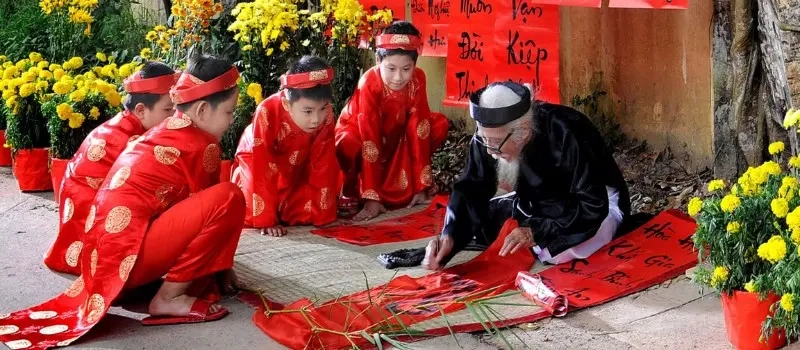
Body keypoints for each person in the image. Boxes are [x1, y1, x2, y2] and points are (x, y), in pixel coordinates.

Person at [0, 54, 245, 349]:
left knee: (218, 198)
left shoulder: (167, 131)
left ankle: (152, 289)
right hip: (124, 261)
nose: (232, 120)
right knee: (229, 197)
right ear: (203, 110)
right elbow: (210, 217)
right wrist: (219, 269)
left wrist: (222, 266)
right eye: (230, 112)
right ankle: (170, 298)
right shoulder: (199, 143)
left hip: (107, 261)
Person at [421, 81, 631, 270]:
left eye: (495, 143)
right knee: (484, 226)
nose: (489, 151)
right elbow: (471, 189)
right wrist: (451, 235)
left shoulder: (566, 130)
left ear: (523, 131)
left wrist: (535, 232)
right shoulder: (489, 137)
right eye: (483, 139)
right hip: (537, 205)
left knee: (559, 252)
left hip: (594, 207)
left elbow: (592, 205)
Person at [44, 62, 179, 275]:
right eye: (168, 109)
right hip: (93, 229)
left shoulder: (122, 126)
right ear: (141, 110)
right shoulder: (131, 141)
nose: (174, 116)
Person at [336, 20, 448, 221]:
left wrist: (422, 186)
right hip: (363, 136)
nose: (398, 77)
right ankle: (352, 190)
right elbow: (369, 136)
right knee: (348, 143)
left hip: (397, 137)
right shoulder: (369, 83)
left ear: (415, 64)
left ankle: (412, 186)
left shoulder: (418, 78)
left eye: (406, 69)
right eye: (391, 68)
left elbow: (419, 127)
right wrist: (371, 197)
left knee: (437, 124)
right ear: (378, 61)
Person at [232, 55, 339, 237]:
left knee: (306, 213)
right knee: (251, 211)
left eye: (322, 108)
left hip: (296, 163)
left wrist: (323, 214)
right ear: (286, 104)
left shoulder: (326, 113)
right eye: (307, 111)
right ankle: (265, 213)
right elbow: (261, 164)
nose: (316, 119)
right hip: (256, 158)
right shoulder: (267, 110)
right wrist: (267, 220)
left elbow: (324, 163)